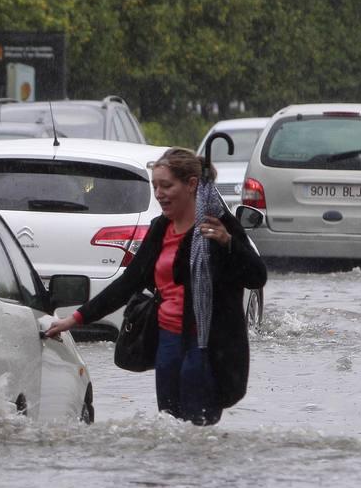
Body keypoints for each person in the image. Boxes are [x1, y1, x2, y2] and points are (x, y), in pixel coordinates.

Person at [44, 147, 267, 425]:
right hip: (168, 342)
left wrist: (228, 244)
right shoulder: (161, 229)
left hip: (207, 345)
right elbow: (128, 282)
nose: (159, 193)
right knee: (169, 426)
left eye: (166, 186)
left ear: (191, 185)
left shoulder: (217, 225)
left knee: (197, 431)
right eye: (155, 186)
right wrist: (74, 319)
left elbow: (257, 276)